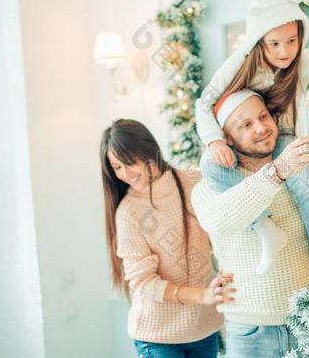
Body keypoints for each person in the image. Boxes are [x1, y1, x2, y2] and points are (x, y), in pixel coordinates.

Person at [197, 0, 309, 274]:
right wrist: (214, 142)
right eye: (274, 44)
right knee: (211, 165)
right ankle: (264, 226)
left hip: (283, 138)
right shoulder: (241, 62)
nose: (285, 52)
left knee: (305, 180)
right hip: (239, 142)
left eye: (292, 41)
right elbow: (204, 103)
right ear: (259, 41)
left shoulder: (301, 60)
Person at [192, 90, 309, 357]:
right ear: (226, 138)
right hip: (251, 332)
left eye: (263, 116)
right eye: (245, 124)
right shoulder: (208, 186)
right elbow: (219, 221)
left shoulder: (297, 170)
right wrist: (276, 172)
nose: (261, 128)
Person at [100, 119, 236, 358]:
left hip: (204, 329)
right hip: (158, 336)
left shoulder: (193, 182)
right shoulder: (128, 213)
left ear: (148, 150)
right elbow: (144, 283)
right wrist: (202, 296)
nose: (125, 174)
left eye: (129, 163)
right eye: (116, 168)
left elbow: (224, 227)